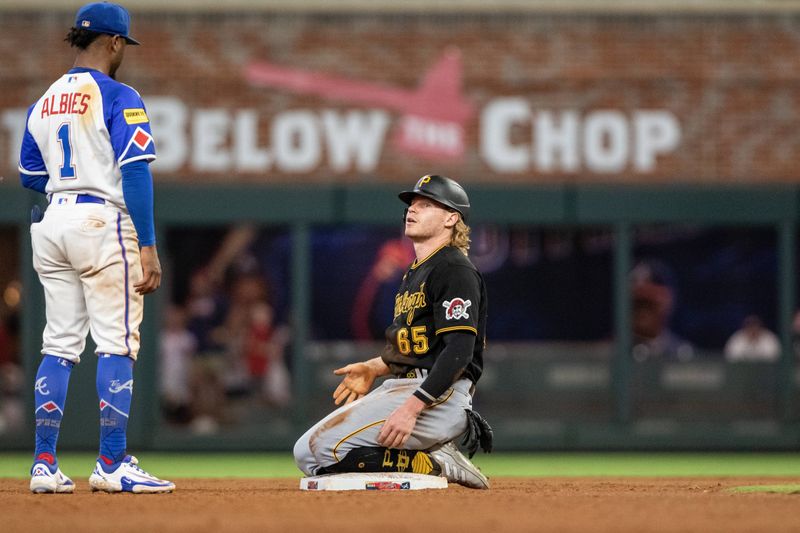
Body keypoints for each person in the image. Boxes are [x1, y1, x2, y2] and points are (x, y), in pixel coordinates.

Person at [19, 2, 174, 493]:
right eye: (123, 44)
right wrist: (147, 246)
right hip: (100, 221)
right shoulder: (119, 94)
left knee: (58, 343)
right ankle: (111, 463)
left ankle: (44, 463)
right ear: (113, 43)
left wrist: (67, 188)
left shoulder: (42, 101)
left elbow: (29, 174)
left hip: (52, 219)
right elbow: (134, 170)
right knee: (116, 342)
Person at [293, 175, 493, 489]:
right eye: (411, 204)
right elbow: (423, 346)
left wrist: (411, 408)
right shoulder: (416, 270)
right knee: (306, 454)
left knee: (325, 451)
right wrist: (374, 366)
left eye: (426, 204)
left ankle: (436, 462)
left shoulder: (454, 268)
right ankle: (432, 456)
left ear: (451, 218)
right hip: (405, 386)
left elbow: (458, 352)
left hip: (436, 396)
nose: (412, 210)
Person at [630, 259, 694, 362]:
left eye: (647, 303)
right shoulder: (609, 354)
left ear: (667, 302)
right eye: (636, 303)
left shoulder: (682, 354)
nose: (641, 311)